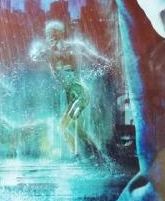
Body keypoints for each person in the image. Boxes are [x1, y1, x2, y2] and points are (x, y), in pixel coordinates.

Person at [30, 20, 109, 159]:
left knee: (67, 126)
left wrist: (104, 64)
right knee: (70, 128)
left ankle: (86, 155)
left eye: (54, 34)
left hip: (80, 94)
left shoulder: (74, 47)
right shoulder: (48, 53)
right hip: (72, 96)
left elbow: (94, 57)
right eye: (49, 35)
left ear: (61, 34)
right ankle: (92, 154)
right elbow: (34, 57)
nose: (51, 38)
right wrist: (40, 51)